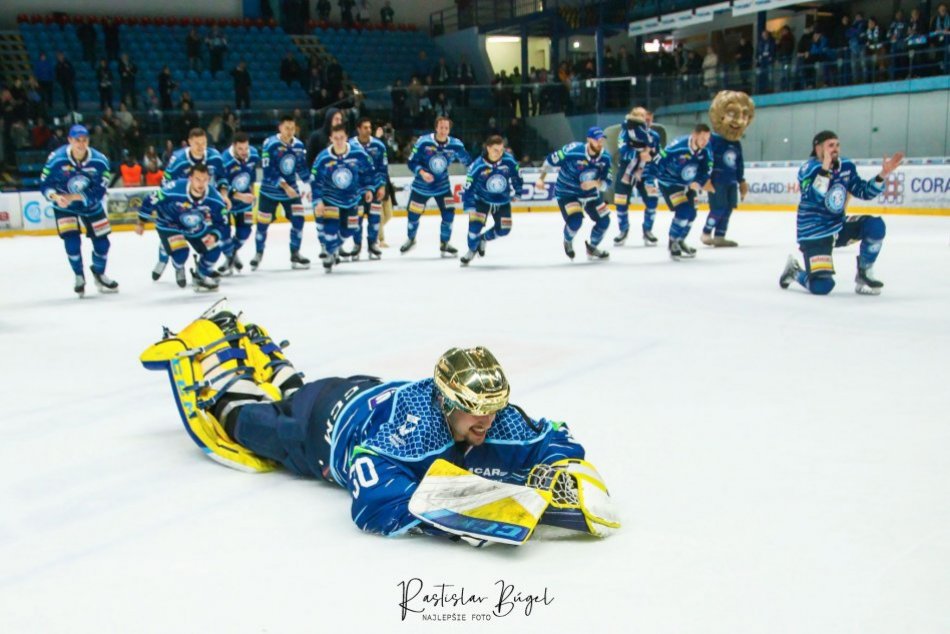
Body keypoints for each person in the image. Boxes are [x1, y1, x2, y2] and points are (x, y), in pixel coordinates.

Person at [141, 304, 620, 544]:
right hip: (317, 432)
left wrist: (561, 472)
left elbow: (551, 437)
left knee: (295, 389)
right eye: (478, 408)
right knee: (249, 422)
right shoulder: (406, 438)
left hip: (359, 388)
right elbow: (374, 504)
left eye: (495, 405)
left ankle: (269, 360)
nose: (489, 419)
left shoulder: (489, 416)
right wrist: (487, 508)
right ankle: (222, 368)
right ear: (449, 402)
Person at [779, 131, 903, 296]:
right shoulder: (808, 170)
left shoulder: (846, 166)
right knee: (822, 286)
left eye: (837, 145)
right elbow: (814, 196)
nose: (835, 149)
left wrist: (882, 175)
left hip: (838, 226)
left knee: (875, 225)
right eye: (830, 145)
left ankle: (864, 274)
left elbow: (863, 191)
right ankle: (794, 271)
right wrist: (825, 168)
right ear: (818, 149)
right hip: (814, 233)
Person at [40, 124, 118, 297]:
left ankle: (99, 273)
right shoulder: (56, 159)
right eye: (77, 140)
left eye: (84, 140)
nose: (81, 144)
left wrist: (72, 197)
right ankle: (78, 276)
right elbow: (45, 184)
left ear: (88, 141)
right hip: (64, 207)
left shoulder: (100, 161)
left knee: (103, 243)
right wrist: (56, 197)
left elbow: (99, 191)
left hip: (91, 206)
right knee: (72, 242)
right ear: (69, 140)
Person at [137, 164, 229, 291]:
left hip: (195, 226)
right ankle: (176, 263)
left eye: (205, 180)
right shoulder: (174, 188)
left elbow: (223, 220)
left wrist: (214, 235)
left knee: (214, 251)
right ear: (190, 178)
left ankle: (200, 277)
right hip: (170, 224)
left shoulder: (215, 198)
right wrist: (142, 221)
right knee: (181, 254)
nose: (201, 184)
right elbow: (151, 198)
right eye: (198, 179)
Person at [153, 129, 227, 284]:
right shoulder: (178, 159)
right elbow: (165, 184)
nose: (201, 147)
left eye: (204, 143)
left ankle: (202, 269)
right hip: (180, 207)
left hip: (204, 204)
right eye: (197, 143)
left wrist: (224, 195)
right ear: (189, 142)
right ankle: (167, 258)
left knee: (212, 237)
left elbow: (222, 178)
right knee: (174, 240)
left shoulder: (214, 156)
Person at [536, 126, 613, 261]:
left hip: (591, 195)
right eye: (597, 140)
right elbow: (550, 160)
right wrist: (541, 179)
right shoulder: (572, 150)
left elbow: (608, 183)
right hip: (567, 192)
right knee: (575, 221)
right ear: (589, 140)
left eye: (602, 140)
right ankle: (568, 240)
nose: (600, 143)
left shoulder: (605, 158)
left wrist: (595, 184)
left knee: (605, 220)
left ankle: (592, 247)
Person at [401, 116, 472, 256]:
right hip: (421, 187)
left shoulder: (456, 145)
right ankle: (411, 238)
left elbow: (469, 162)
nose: (443, 131)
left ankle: (444, 243)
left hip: (442, 187)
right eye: (441, 127)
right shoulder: (423, 142)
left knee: (449, 214)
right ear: (436, 127)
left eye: (446, 128)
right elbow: (411, 162)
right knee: (413, 215)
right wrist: (422, 173)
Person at [310, 123, 376, 272]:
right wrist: (318, 201)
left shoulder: (358, 153)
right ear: (330, 138)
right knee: (331, 228)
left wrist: (369, 189)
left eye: (341, 138)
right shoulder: (323, 158)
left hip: (352, 198)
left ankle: (332, 248)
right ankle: (330, 254)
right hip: (330, 199)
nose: (339, 141)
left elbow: (369, 172)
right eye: (335, 138)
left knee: (351, 229)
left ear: (346, 137)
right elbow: (316, 182)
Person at [642, 124, 712, 260]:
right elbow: (657, 162)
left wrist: (699, 182)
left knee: (692, 214)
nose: (705, 141)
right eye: (702, 138)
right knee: (684, 211)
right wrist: (649, 181)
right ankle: (673, 241)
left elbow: (707, 170)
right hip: (669, 183)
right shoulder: (677, 146)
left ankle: (680, 240)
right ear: (694, 135)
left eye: (707, 138)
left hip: (688, 184)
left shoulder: (706, 150)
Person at [255, 114, 312, 270]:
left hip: (291, 191)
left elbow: (301, 168)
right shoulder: (270, 144)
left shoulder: (299, 145)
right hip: (269, 191)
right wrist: (286, 187)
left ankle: (295, 252)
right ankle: (258, 253)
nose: (290, 131)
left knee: (299, 219)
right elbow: (269, 172)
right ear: (280, 127)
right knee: (262, 223)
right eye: (287, 128)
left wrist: (311, 184)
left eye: (292, 128)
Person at [459, 135, 523, 267]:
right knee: (473, 231)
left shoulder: (509, 161)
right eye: (495, 150)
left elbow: (517, 177)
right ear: (487, 148)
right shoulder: (477, 166)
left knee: (504, 229)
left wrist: (518, 192)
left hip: (503, 201)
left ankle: (484, 239)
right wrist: (469, 204)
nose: (499, 153)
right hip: (481, 201)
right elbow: (468, 187)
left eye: (501, 150)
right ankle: (471, 250)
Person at [701, 91, 754, 247]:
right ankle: (706, 232)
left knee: (728, 208)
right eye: (732, 113)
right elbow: (706, 159)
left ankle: (719, 235)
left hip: (731, 181)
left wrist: (742, 180)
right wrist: (705, 178)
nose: (739, 121)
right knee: (718, 208)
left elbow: (739, 164)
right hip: (717, 180)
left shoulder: (736, 143)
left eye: (744, 116)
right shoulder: (713, 140)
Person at [344, 117, 388, 260]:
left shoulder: (379, 146)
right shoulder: (350, 145)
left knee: (375, 217)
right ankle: (357, 245)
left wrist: (382, 186)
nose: (368, 130)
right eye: (365, 127)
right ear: (358, 129)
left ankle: (372, 244)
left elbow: (383, 169)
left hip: (375, 188)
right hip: (356, 189)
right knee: (356, 218)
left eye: (370, 127)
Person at [218, 132, 260, 275]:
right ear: (234, 146)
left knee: (245, 232)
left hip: (245, 202)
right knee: (224, 234)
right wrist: (240, 196)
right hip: (227, 202)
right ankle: (230, 257)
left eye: (246, 148)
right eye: (240, 149)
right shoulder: (224, 160)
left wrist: (253, 195)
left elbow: (252, 176)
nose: (244, 152)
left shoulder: (253, 154)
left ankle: (231, 255)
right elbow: (222, 184)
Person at [612, 107, 653, 248]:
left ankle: (648, 230)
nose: (644, 117)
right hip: (626, 169)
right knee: (621, 201)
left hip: (646, 170)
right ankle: (623, 229)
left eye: (645, 114)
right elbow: (623, 150)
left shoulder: (651, 134)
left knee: (651, 200)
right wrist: (639, 154)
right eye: (640, 115)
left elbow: (657, 152)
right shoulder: (625, 130)